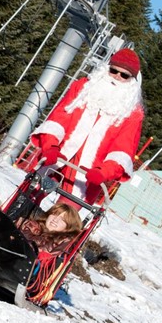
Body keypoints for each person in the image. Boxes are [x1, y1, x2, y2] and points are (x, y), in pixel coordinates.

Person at [30, 48, 145, 205]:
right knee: (27, 197)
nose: (117, 77)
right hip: (58, 156)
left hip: (88, 173)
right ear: (107, 68)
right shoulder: (82, 88)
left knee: (63, 219)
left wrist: (104, 172)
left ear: (131, 80)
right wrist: (50, 146)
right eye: (114, 71)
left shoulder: (133, 114)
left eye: (124, 75)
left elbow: (123, 150)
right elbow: (59, 118)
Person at [15, 202, 83, 256]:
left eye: (62, 219)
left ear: (68, 227)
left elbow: (44, 256)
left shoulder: (63, 242)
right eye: (54, 214)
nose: (55, 219)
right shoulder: (29, 225)